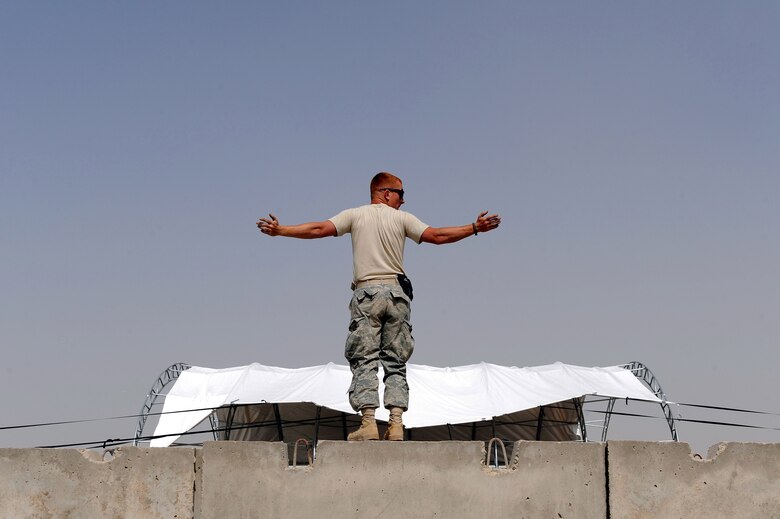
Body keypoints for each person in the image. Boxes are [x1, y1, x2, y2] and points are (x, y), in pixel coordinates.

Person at [257, 172, 501, 441]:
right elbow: (438, 236)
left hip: (367, 294)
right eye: (401, 194)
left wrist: (282, 231)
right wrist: (474, 228)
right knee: (396, 361)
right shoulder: (403, 219)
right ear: (385, 193)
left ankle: (369, 424)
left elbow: (318, 230)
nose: (404, 200)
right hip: (397, 296)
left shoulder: (355, 215)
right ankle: (396, 424)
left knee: (365, 359)